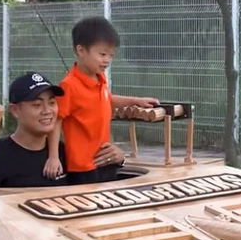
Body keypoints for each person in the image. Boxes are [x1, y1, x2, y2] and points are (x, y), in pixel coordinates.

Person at [44, 16, 159, 185]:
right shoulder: (69, 86)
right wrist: (53, 157)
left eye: (111, 55)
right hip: (83, 168)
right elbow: (56, 120)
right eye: (102, 54)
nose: (107, 60)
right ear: (81, 50)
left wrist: (136, 101)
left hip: (106, 160)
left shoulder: (100, 78)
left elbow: (107, 99)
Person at [0, 71, 127, 188]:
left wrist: (119, 158)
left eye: (52, 103)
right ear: (15, 110)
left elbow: (95, 183)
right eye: (37, 105)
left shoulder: (65, 152)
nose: (47, 111)